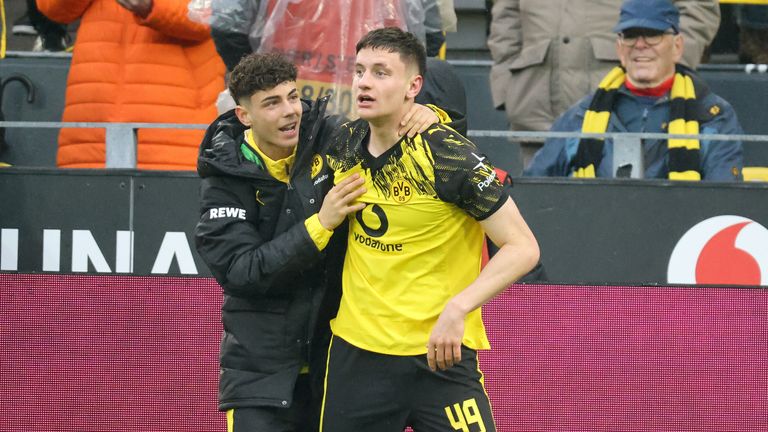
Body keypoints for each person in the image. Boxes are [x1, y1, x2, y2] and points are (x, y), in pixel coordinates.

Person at [194, 52, 442, 431]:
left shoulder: (329, 137)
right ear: (244, 116)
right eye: (271, 103)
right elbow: (242, 272)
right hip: (260, 380)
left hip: (337, 371)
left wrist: (426, 116)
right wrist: (322, 224)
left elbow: (389, 138)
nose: (289, 111)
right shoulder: (224, 176)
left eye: (293, 96)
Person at [320, 27, 540, 431]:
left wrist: (458, 308)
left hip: (441, 354)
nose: (365, 82)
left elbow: (522, 247)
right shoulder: (341, 145)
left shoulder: (448, 155)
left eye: (381, 73)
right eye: (360, 71)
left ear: (413, 86)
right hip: (358, 358)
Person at [524, 0, 744, 181]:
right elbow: (535, 189)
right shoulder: (581, 115)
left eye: (652, 34)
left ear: (677, 47)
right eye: (630, 35)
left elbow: (723, 198)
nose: (640, 45)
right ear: (619, 49)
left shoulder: (712, 117)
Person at [37, 0, 226, 169]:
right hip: (93, 121)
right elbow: (52, 8)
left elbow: (216, 13)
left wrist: (153, 6)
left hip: (172, 128)